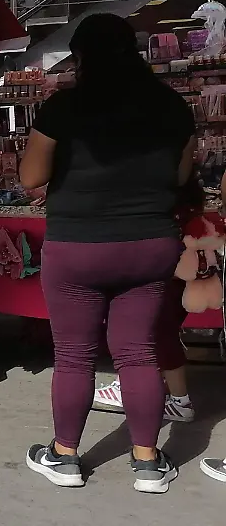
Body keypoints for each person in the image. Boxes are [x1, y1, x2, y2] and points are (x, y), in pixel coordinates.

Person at [18, 13, 194, 494]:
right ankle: (148, 464)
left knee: (75, 355)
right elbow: (179, 178)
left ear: (81, 57)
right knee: (138, 352)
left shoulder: (64, 107)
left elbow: (30, 178)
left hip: (79, 245)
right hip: (150, 245)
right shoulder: (172, 106)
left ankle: (65, 457)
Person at [92, 179, 205, 423]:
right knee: (152, 335)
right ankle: (137, 388)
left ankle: (177, 400)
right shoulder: (183, 204)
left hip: (162, 277)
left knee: (153, 335)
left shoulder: (161, 202)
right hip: (173, 278)